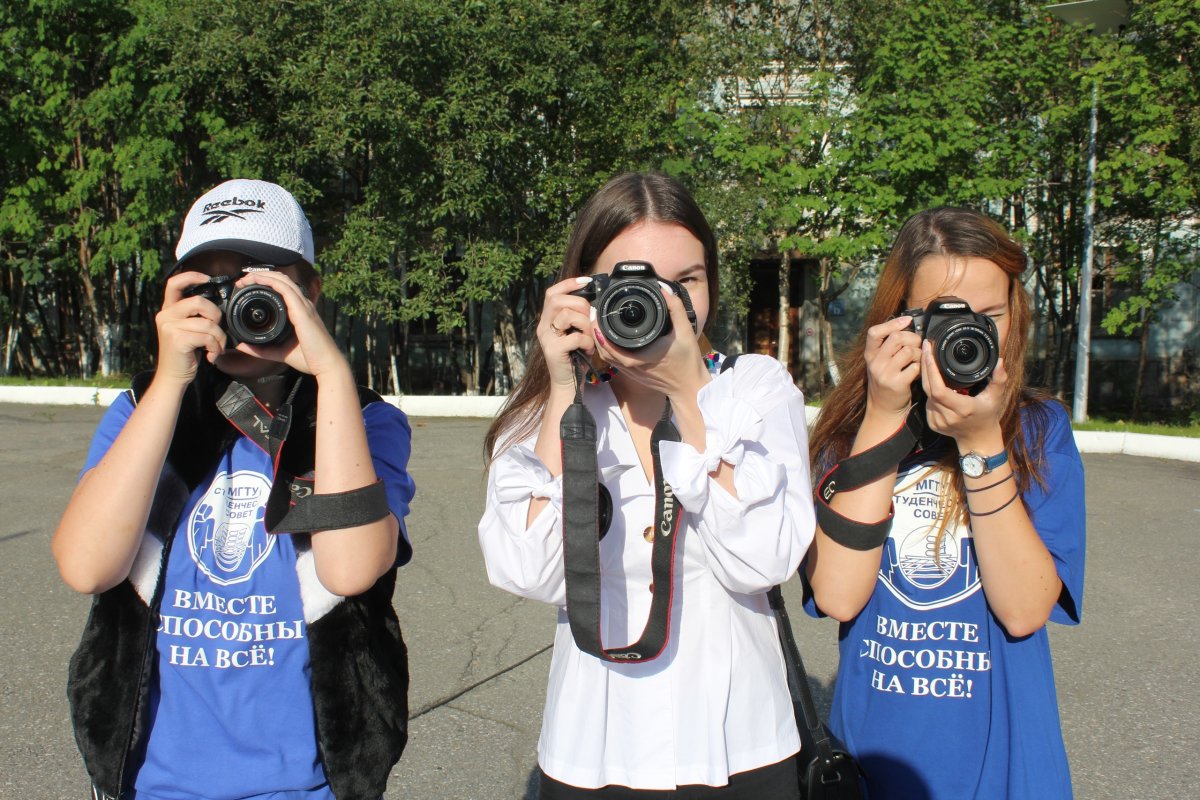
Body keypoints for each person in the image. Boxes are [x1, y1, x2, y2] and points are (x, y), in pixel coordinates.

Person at [52, 179, 416, 800]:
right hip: (149, 778)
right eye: (210, 287)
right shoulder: (143, 410)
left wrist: (329, 373)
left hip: (307, 783)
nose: (237, 309)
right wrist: (170, 380)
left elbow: (351, 569)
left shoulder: (364, 421)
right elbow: (87, 566)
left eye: (260, 284)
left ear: (310, 290)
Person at [478, 172, 815, 798]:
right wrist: (561, 390)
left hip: (737, 743)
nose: (661, 302)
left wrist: (689, 394)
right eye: (634, 284)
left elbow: (762, 563)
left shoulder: (754, 389)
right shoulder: (551, 410)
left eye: (685, 281)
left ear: (710, 281)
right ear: (582, 289)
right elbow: (529, 572)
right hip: (593, 746)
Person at [803, 207, 1086, 799]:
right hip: (872, 764)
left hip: (1003, 767)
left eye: (990, 317)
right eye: (944, 317)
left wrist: (981, 444)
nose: (968, 335)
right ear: (899, 319)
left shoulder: (1039, 431)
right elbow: (837, 594)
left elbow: (1024, 610)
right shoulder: (849, 434)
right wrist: (882, 415)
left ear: (1016, 316)